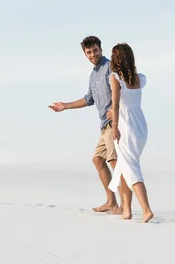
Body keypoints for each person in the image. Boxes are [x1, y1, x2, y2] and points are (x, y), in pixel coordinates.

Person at [48, 36, 123, 214]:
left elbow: (121, 91)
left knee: (115, 162)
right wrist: (65, 106)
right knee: (98, 160)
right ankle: (111, 202)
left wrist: (115, 110)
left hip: (114, 122)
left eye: (95, 50)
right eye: (88, 52)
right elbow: (89, 99)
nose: (92, 54)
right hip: (104, 125)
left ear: (101, 49)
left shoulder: (110, 67)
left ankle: (124, 206)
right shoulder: (94, 74)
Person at [107, 42, 154, 222]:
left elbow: (117, 104)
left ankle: (146, 209)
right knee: (123, 166)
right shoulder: (139, 78)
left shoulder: (115, 78)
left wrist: (115, 126)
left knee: (131, 167)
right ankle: (126, 210)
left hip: (126, 125)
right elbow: (127, 101)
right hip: (140, 125)